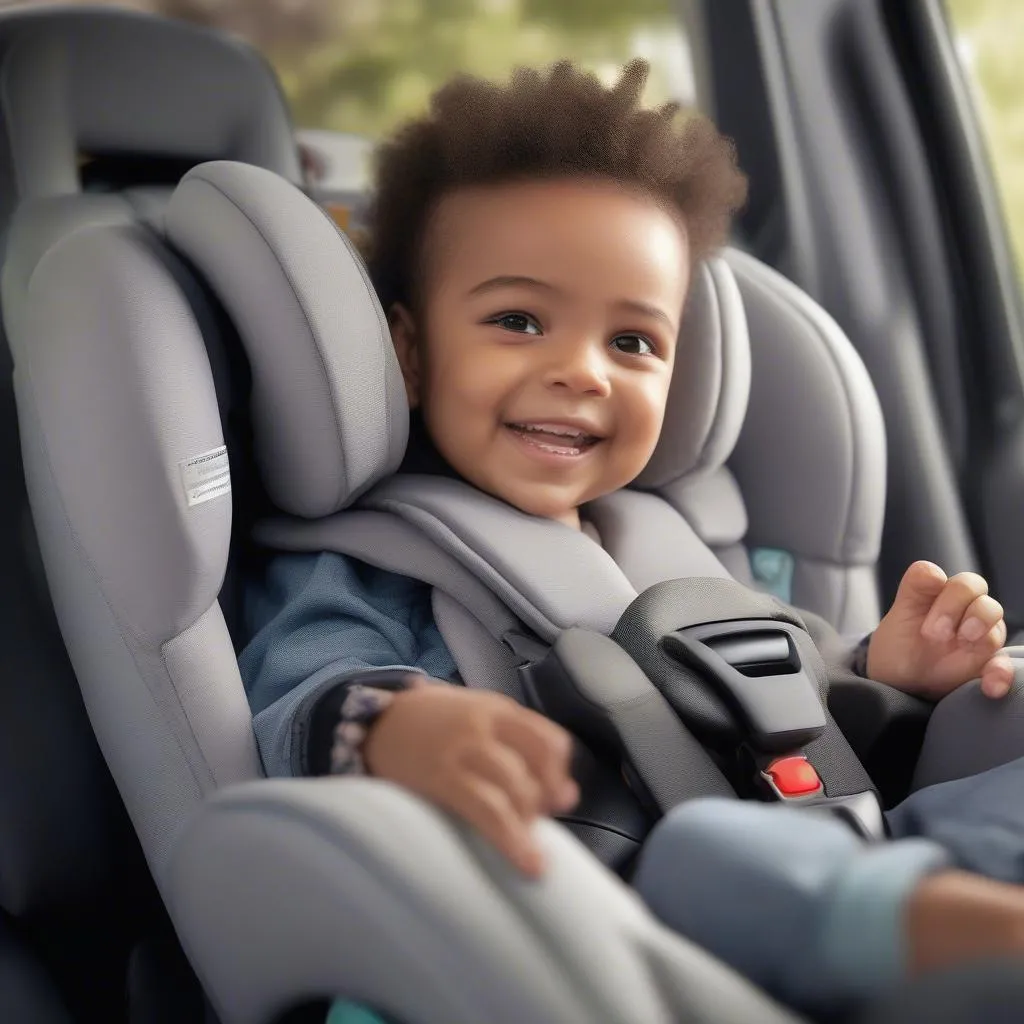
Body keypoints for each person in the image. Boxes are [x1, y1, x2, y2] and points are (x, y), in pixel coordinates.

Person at [238, 59, 1024, 1018]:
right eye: (519, 321)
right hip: (602, 929)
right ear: (409, 352)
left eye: (633, 342)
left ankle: (954, 925)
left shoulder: (672, 542)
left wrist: (887, 667)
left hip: (829, 862)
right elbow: (301, 693)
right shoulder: (364, 562)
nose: (583, 373)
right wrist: (397, 727)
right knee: (709, 854)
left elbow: (787, 688)